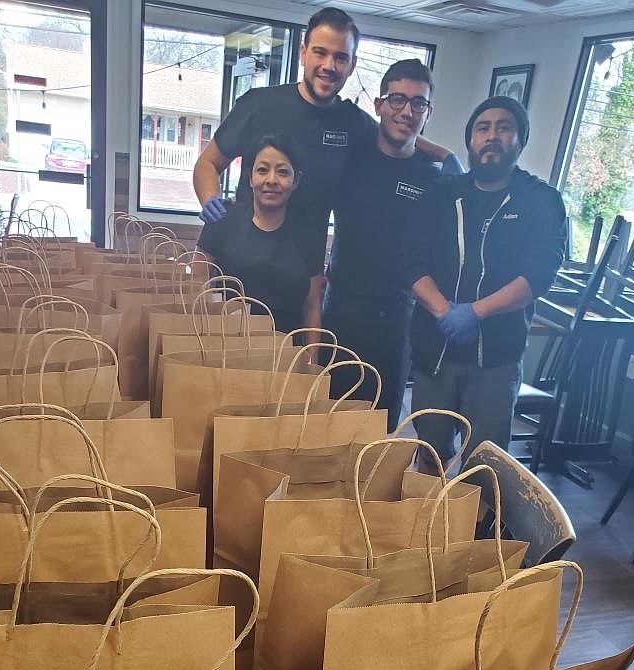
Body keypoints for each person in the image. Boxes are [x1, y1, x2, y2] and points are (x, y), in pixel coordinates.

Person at [401, 95, 567, 464]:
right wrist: (444, 311)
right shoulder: (442, 195)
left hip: (495, 359)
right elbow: (410, 260)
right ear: (470, 140)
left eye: (503, 127)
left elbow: (538, 275)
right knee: (428, 457)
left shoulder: (542, 202)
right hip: (435, 353)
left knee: (485, 467)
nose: (492, 135)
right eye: (483, 127)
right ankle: (422, 521)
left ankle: (478, 524)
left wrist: (476, 312)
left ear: (520, 140)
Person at [193, 7, 372, 328]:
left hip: (300, 276)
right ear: (303, 53)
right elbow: (208, 162)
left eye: (341, 58)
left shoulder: (353, 123)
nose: (329, 66)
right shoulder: (260, 104)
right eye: (320, 52)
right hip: (242, 266)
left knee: (291, 364)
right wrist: (210, 200)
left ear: (352, 65)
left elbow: (396, 139)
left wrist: (443, 154)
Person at [322, 59, 462, 430]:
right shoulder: (352, 157)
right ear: (379, 104)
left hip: (397, 319)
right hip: (340, 310)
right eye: (397, 99)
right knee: (326, 423)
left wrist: (448, 157)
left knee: (381, 427)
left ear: (428, 112)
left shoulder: (434, 179)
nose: (407, 110)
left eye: (418, 103)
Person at [196, 135, 323, 334]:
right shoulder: (223, 219)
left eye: (282, 172)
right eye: (262, 170)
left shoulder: (309, 236)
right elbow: (197, 280)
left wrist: (312, 361)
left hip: (285, 356)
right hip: (221, 349)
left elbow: (313, 306)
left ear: (295, 180)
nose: (271, 180)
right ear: (250, 177)